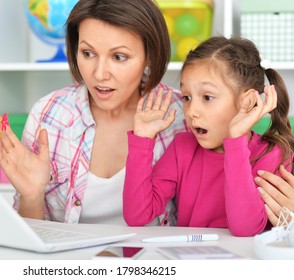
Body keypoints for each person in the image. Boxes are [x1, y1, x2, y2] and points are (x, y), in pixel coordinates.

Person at [0, 0, 187, 225]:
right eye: (88, 53)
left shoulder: (181, 115)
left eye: (119, 57)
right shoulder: (49, 115)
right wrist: (31, 196)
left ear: (150, 56)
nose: (100, 73)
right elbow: (32, 237)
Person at [123, 36, 294, 236]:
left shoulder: (272, 155)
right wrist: (142, 141)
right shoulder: (182, 147)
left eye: (207, 97)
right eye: (187, 97)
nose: (191, 110)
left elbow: (244, 229)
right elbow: (137, 215)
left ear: (247, 102)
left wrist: (236, 143)